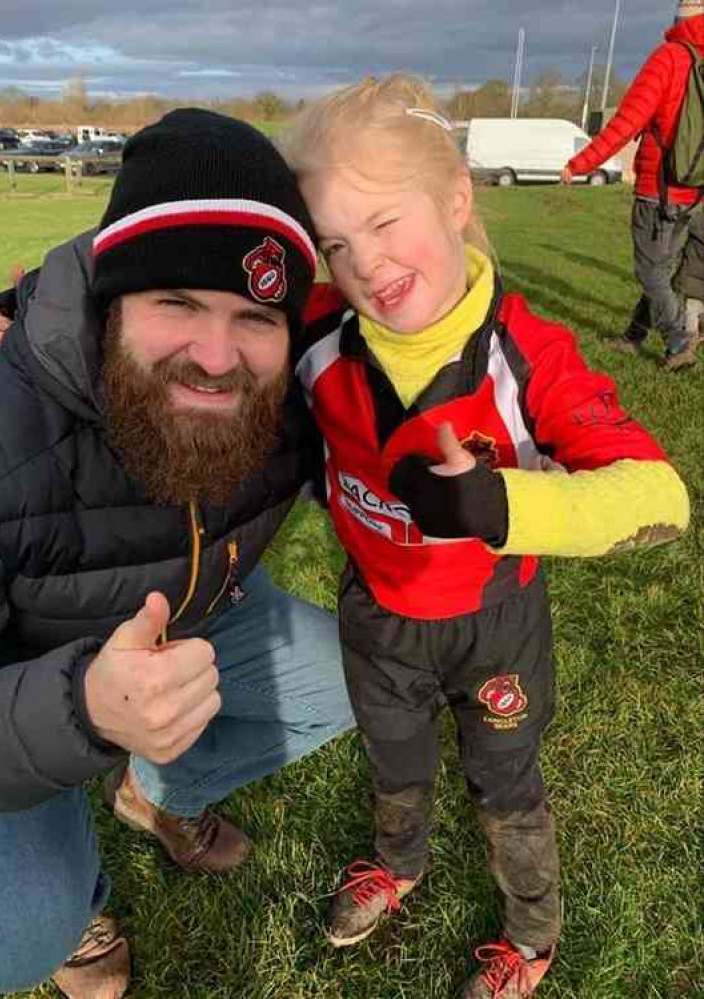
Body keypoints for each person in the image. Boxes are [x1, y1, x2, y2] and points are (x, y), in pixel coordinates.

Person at [278, 75, 690, 998]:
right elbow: (196, 277)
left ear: (457, 197)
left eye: (386, 223)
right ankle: (402, 862)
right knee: (396, 762)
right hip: (376, 616)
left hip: (492, 621)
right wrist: (38, 302)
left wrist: (500, 506)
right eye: (337, 244)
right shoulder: (315, 329)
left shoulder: (528, 353)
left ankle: (531, 937)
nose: (366, 265)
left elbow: (660, 494)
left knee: (505, 785)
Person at [0, 108, 354, 999]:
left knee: (361, 672)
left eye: (254, 314)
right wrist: (81, 712)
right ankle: (79, 888)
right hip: (11, 675)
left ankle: (157, 792)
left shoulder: (290, 399)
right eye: (176, 301)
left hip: (202, 622)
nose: (216, 356)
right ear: (112, 299)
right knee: (20, 938)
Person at [561, 0, 704, 372]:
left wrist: (580, 164)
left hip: (657, 189)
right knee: (659, 267)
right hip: (695, 191)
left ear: (680, 18)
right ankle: (633, 337)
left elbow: (625, 123)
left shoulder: (668, 58)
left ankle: (678, 340)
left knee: (650, 271)